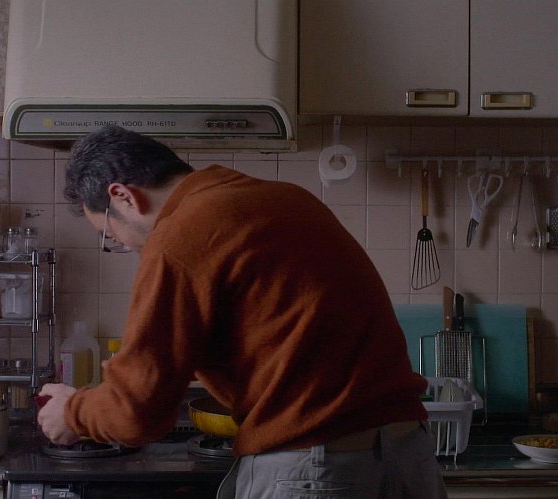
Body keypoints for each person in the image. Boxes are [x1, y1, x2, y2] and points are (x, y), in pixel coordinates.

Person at [37, 125, 448, 498]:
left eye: (111, 235)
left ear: (123, 196)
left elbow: (137, 415)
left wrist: (73, 414)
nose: (126, 245)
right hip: (408, 455)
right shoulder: (286, 199)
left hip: (316, 467)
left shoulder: (180, 236)